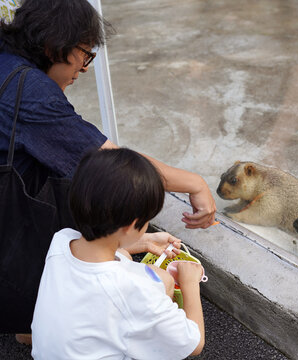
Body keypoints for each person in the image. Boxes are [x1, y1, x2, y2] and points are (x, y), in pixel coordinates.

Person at [0, 0, 216, 338]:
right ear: (53, 47)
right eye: (85, 54)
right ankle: (28, 315)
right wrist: (193, 182)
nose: (85, 69)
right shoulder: (30, 93)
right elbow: (112, 167)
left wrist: (131, 242)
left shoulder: (6, 61)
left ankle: (30, 320)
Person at [31, 148, 205, 359]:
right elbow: (193, 344)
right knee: (160, 280)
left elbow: (99, 249)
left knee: (145, 270)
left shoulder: (62, 240)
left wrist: (145, 240)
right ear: (131, 225)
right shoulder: (135, 289)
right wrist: (190, 283)